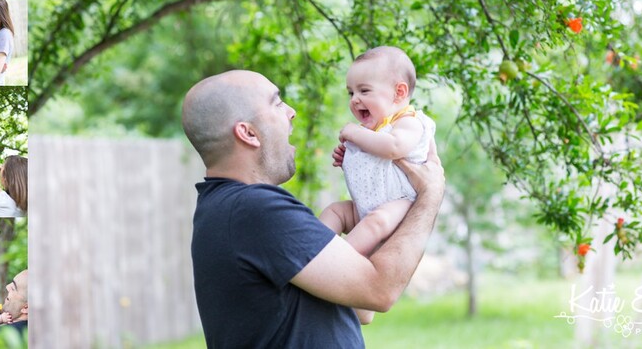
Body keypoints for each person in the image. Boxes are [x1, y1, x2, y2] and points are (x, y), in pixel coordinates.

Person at [182, 70, 445, 348]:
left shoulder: (228, 210)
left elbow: (362, 309)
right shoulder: (255, 210)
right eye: (277, 103)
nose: (291, 112)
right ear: (248, 133)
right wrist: (429, 194)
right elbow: (379, 291)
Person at [319, 47, 436, 255]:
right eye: (351, 92)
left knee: (376, 221)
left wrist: (354, 134)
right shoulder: (371, 132)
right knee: (335, 211)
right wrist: (349, 159)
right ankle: (313, 251)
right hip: (363, 207)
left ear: (398, 93)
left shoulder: (410, 122)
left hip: (398, 207)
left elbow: (393, 147)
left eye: (364, 91)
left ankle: (337, 260)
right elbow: (371, 169)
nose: (354, 99)